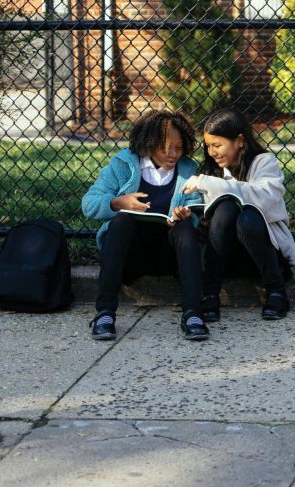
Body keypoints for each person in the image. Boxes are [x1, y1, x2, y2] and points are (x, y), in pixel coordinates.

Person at [82, 110, 210, 341]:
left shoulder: (187, 168)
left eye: (179, 148)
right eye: (165, 147)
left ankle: (193, 313)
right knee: (121, 220)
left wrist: (186, 214)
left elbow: (195, 204)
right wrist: (117, 202)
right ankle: (105, 313)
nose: (172, 154)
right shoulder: (123, 165)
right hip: (131, 255)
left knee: (184, 228)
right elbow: (89, 204)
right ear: (148, 143)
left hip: (170, 255)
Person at [182, 108, 295, 321]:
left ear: (239, 141)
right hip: (224, 257)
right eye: (208, 146)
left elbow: (265, 198)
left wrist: (210, 184)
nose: (211, 152)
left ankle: (276, 291)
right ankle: (210, 293)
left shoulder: (264, 163)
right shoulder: (213, 170)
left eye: (217, 145)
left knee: (247, 218)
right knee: (226, 208)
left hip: (264, 255)